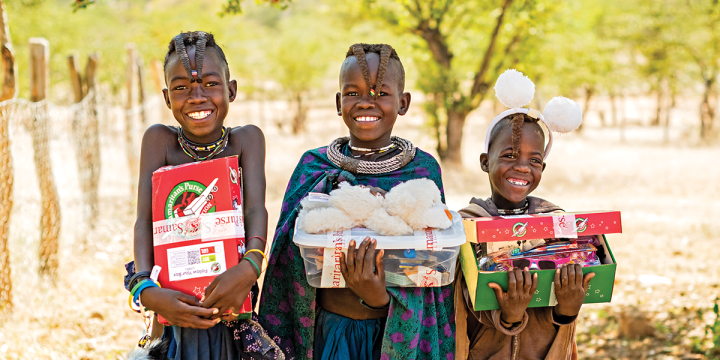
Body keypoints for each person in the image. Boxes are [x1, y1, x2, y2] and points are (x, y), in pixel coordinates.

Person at [259, 43, 455, 360]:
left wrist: (377, 297)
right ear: (339, 102)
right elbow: (287, 248)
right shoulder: (313, 166)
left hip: (390, 335)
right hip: (327, 334)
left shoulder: (422, 171)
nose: (366, 103)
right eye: (353, 93)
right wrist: (337, 191)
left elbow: (431, 263)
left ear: (403, 102)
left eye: (380, 94)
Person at [128, 31, 289, 360]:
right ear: (166, 97)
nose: (196, 96)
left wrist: (250, 266)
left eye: (210, 84)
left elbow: (256, 210)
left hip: (232, 299)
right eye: (181, 87)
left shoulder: (246, 141)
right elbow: (144, 221)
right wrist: (145, 289)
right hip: (173, 304)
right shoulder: (159, 142)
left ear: (231, 90)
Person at [454, 70, 594, 360]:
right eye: (509, 156)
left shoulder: (557, 223)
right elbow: (460, 303)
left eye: (534, 160)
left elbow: (564, 316)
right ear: (485, 161)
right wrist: (509, 316)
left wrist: (568, 309)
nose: (522, 168)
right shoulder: (466, 224)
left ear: (543, 168)